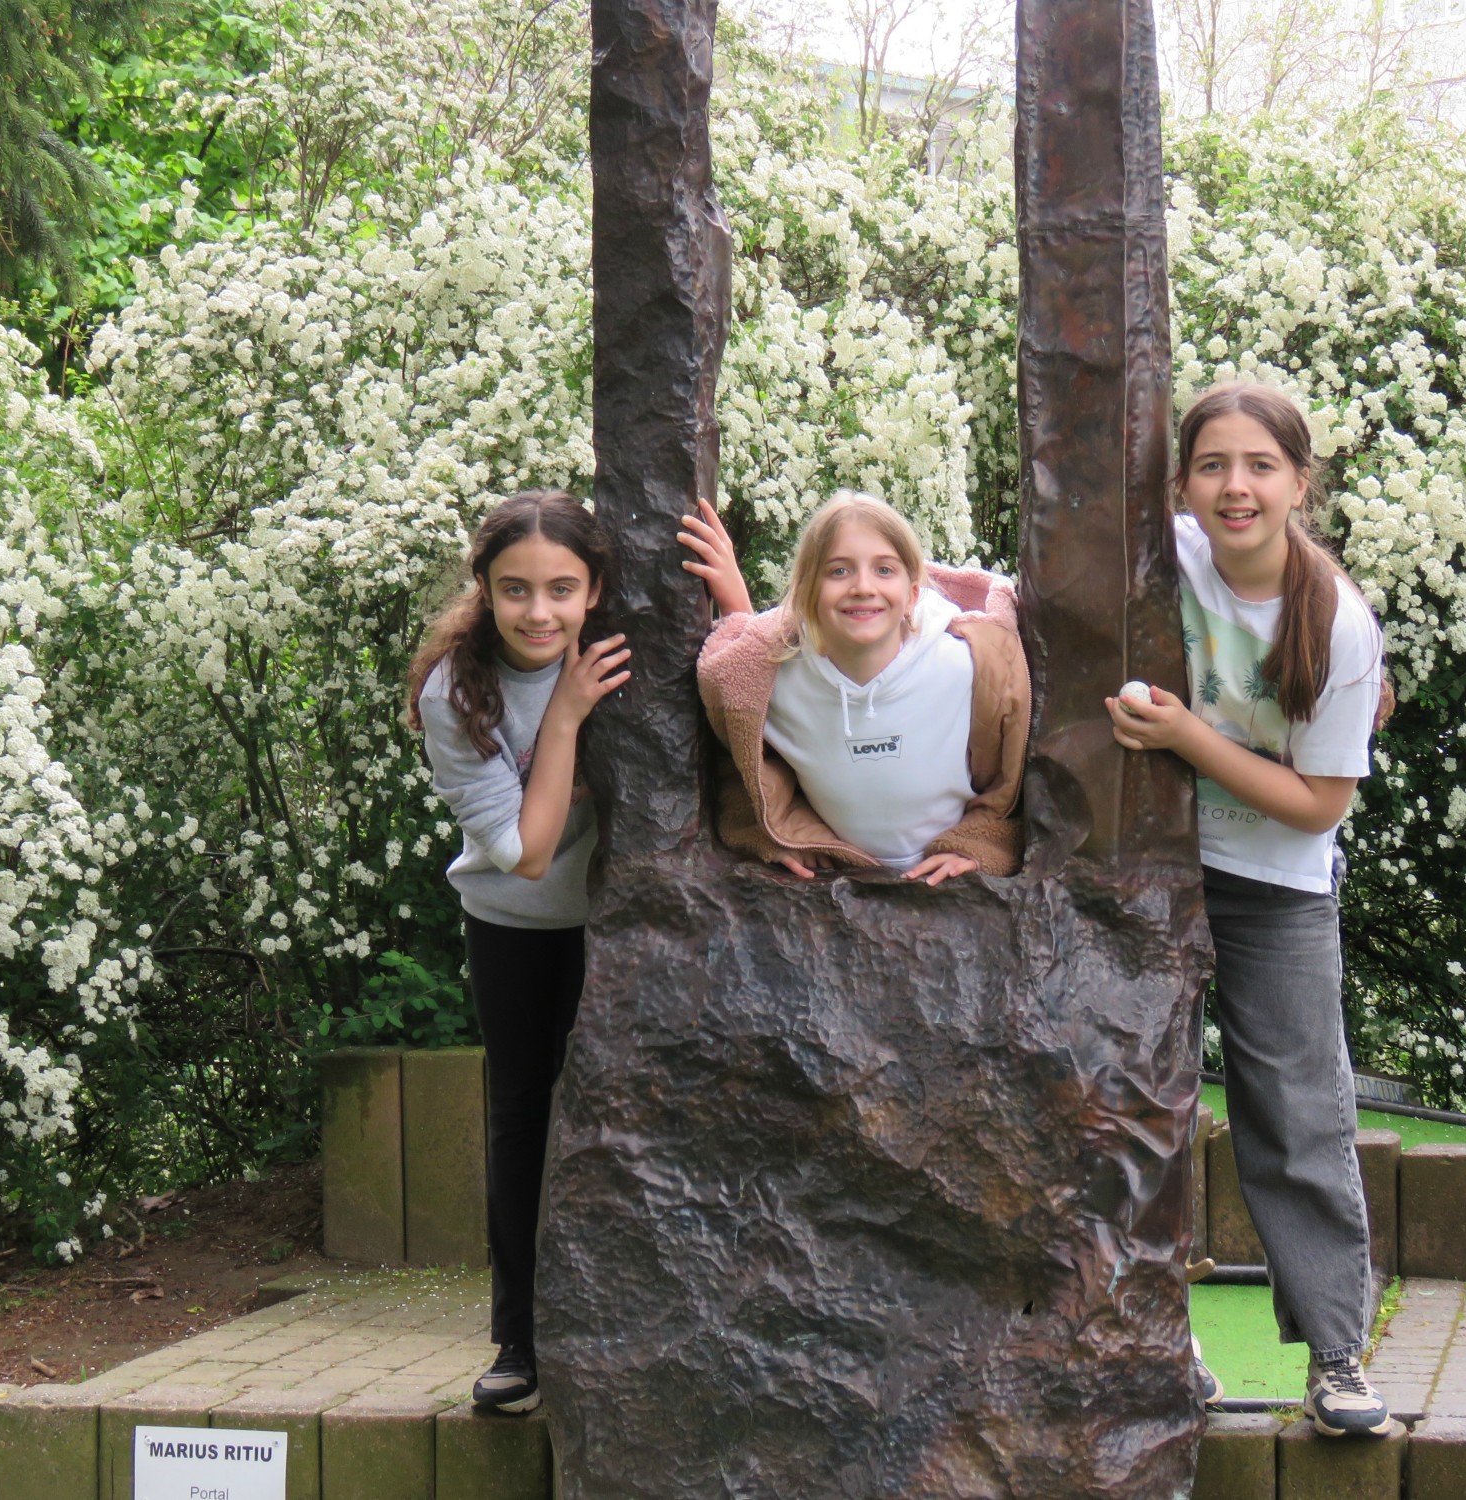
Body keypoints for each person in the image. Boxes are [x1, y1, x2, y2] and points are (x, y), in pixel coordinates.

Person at [1104, 383, 1397, 1438]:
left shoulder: (1335, 623)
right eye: (1212, 464)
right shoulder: (1160, 561)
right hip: (1152, 871)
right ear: (1181, 482)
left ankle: (1334, 1356)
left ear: (1298, 483)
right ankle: (1156, 1342)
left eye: (1260, 466)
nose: (1236, 486)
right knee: (1137, 1102)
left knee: (1293, 1115)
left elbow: (1316, 804)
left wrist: (1188, 739)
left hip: (1276, 888)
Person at [405, 490, 629, 1414]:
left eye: (562, 589)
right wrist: (568, 716)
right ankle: (519, 1345)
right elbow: (531, 857)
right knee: (521, 1126)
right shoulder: (455, 693)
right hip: (520, 929)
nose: (540, 613)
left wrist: (734, 589)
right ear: (485, 592)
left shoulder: (627, 652)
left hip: (622, 929)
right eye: (515, 590)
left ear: (595, 589)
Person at [678, 490, 1029, 882]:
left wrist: (979, 846)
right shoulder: (774, 683)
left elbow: (1009, 779)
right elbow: (742, 756)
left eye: (884, 570)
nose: (863, 586)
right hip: (841, 882)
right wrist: (787, 835)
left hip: (946, 884)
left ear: (913, 594)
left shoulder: (967, 667)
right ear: (807, 595)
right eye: (839, 571)